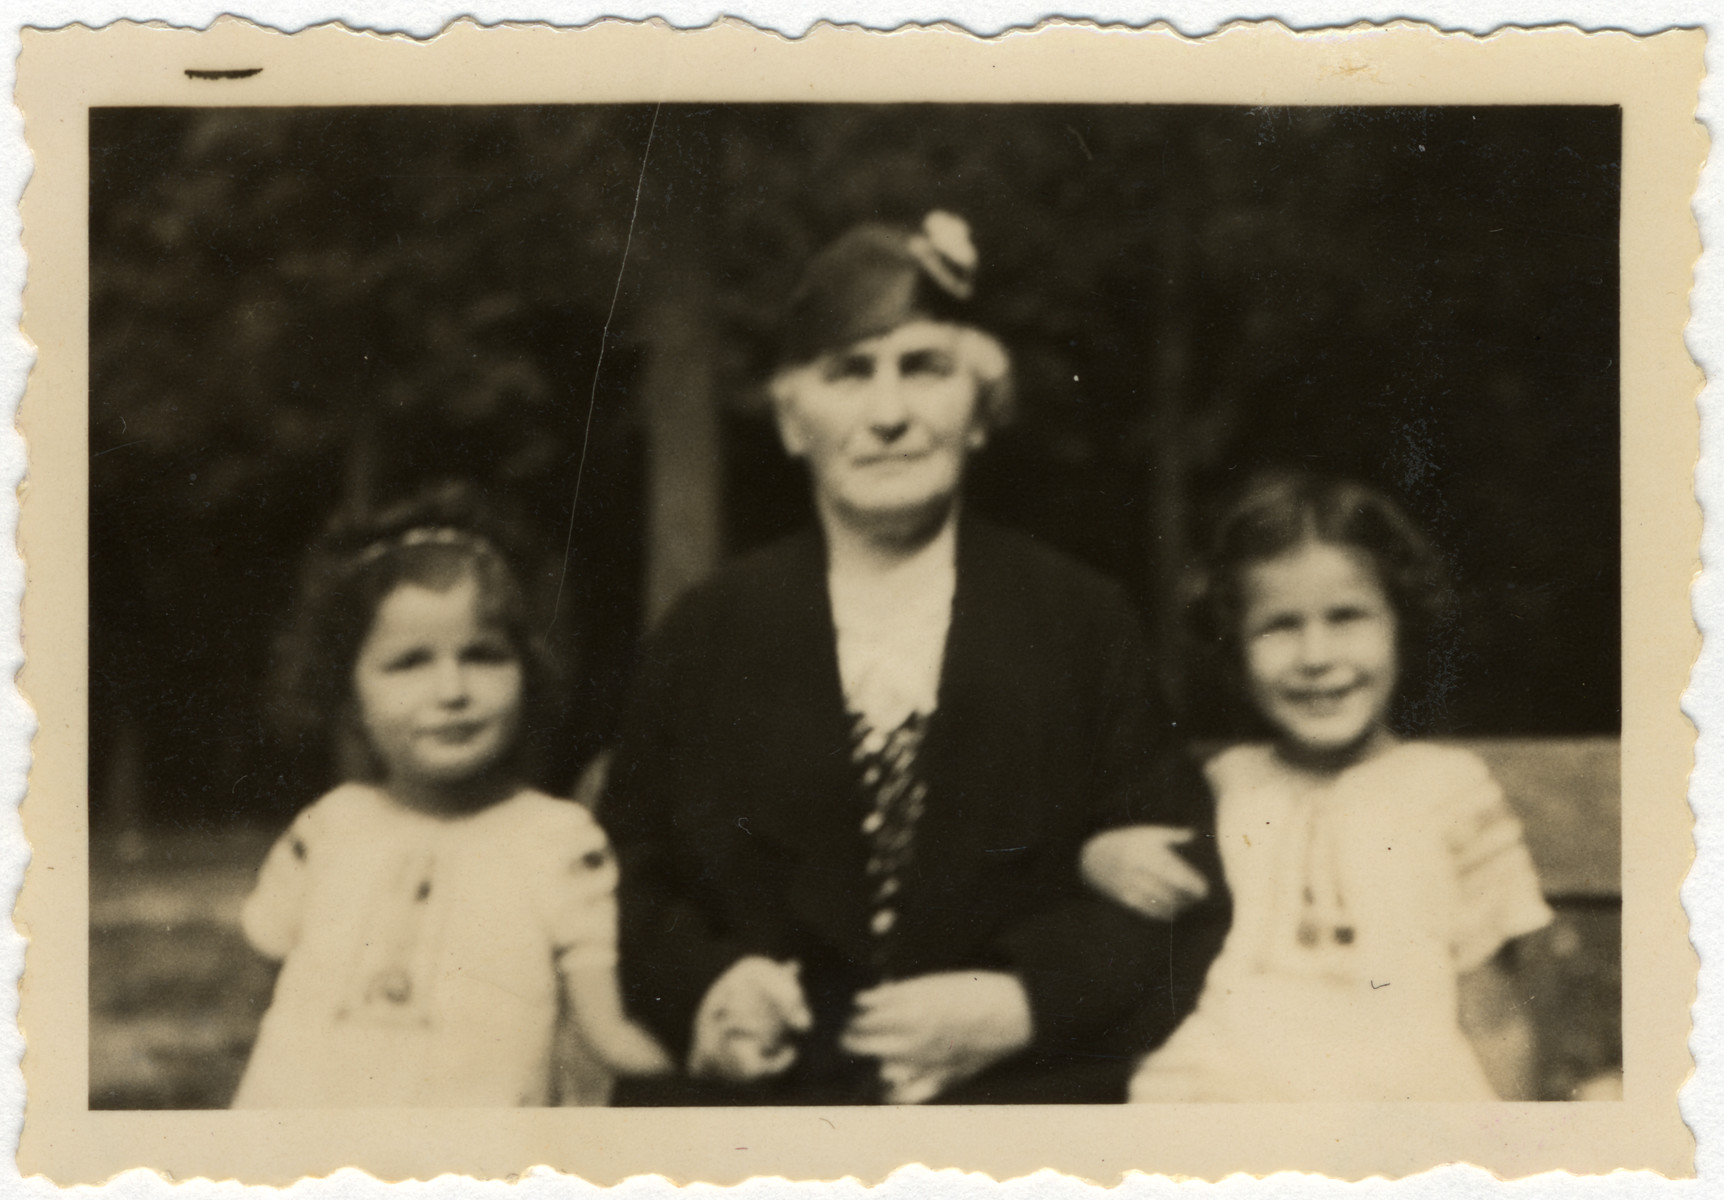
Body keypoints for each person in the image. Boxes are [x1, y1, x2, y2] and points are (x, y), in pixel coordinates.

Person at [602, 211, 1229, 1105]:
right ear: (792, 419)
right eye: (849, 373)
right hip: (761, 1123)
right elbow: (623, 880)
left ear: (980, 411)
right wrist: (708, 988)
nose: (889, 414)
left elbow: (1184, 891)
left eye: (924, 368)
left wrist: (1026, 1000)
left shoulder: (1079, 622)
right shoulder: (708, 634)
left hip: (1006, 1122)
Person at [1083, 469, 1552, 1101]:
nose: (1315, 655)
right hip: (1224, 1095)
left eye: (1347, 617)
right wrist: (1099, 859)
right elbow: (1132, 908)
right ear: (1235, 646)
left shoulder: (1449, 792)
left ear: (1399, 625)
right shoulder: (1223, 785)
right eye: (1279, 626)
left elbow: (1495, 1018)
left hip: (1401, 1107)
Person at [232, 484, 669, 1107]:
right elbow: (266, 992)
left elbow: (608, 1031)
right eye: (408, 662)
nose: (452, 689)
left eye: (484, 656)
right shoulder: (329, 829)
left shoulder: (559, 842)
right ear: (348, 688)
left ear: (530, 667)